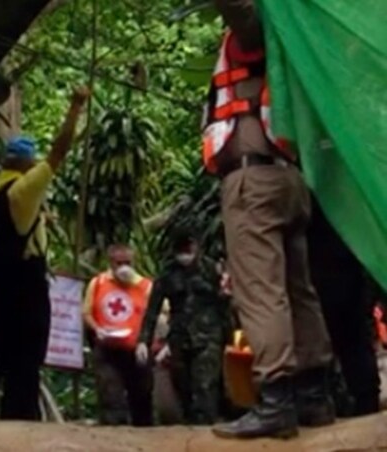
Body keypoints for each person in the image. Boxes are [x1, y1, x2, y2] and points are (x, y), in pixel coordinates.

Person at [206, 0, 335, 439]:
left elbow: (240, 12)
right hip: (289, 176)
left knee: (261, 291)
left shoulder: (263, 27)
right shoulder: (300, 39)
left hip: (254, 180)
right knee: (298, 289)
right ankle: (314, 397)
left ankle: (277, 399)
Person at [0, 87, 90, 420]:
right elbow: (59, 152)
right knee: (25, 363)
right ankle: (21, 424)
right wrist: (75, 107)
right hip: (26, 289)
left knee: (0, 354)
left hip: (0, 290)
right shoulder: (23, 190)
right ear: (27, 165)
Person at [136, 233, 227, 425]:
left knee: (205, 385)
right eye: (181, 251)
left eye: (189, 250)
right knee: (183, 386)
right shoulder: (168, 275)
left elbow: (225, 302)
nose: (185, 255)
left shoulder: (210, 270)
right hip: (179, 337)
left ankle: (206, 429)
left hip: (208, 336)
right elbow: (152, 311)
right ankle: (189, 430)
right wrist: (143, 341)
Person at [307, 197, 381, 417]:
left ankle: (354, 399)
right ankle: (364, 399)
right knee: (354, 337)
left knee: (342, 337)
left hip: (325, 268)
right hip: (346, 263)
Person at [82, 245, 154, 426]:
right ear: (110, 263)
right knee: (110, 393)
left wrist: (146, 341)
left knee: (142, 396)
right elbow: (86, 313)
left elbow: (160, 315)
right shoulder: (98, 283)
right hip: (107, 349)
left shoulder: (146, 286)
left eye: (128, 262)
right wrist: (97, 328)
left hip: (136, 350)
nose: (124, 267)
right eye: (119, 263)